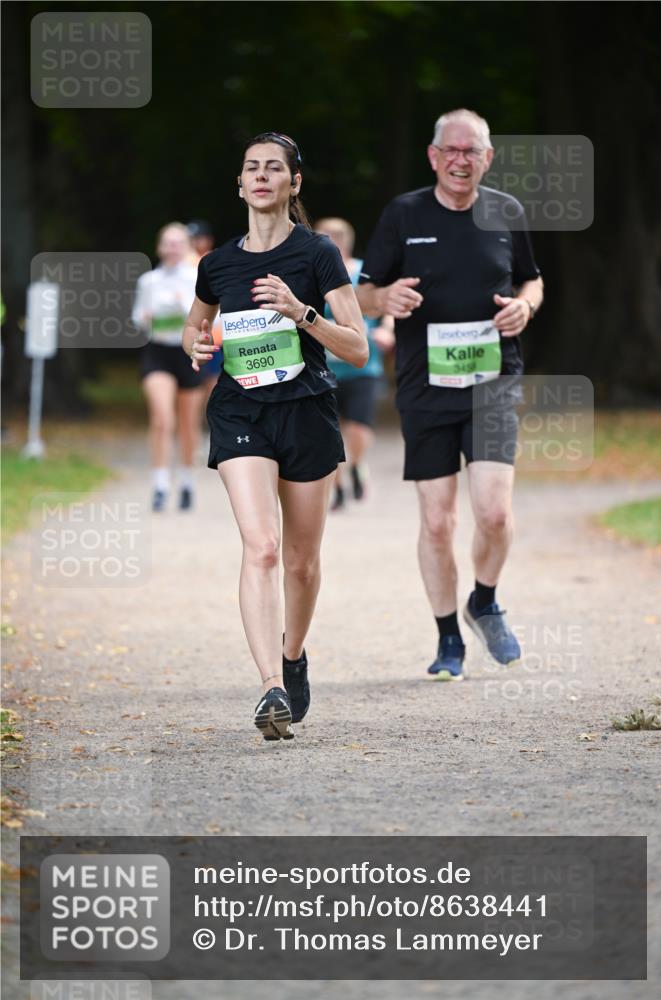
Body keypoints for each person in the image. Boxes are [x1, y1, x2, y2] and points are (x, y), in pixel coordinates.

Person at [182, 132, 367, 740]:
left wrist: (299, 312)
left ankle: (293, 652)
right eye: (250, 168)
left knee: (302, 561)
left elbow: (358, 348)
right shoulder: (217, 264)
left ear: (294, 183)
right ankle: (270, 687)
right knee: (260, 546)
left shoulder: (318, 255)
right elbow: (195, 328)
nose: (261, 176)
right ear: (240, 184)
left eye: (273, 169)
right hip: (240, 411)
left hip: (307, 410)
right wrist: (196, 345)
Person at [357, 108, 544, 681]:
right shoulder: (404, 213)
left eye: (473, 151)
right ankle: (448, 641)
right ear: (434, 156)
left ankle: (484, 599)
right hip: (425, 384)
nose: (462, 160)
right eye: (452, 151)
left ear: (487, 158)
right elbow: (361, 292)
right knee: (438, 522)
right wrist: (384, 300)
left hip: (492, 381)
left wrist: (525, 306)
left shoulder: (506, 212)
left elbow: (531, 278)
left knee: (493, 512)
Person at [314, 217, 395, 510]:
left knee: (359, 429)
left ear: (343, 243)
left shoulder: (363, 273)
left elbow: (388, 304)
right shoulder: (312, 274)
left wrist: (387, 328)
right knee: (329, 432)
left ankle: (356, 465)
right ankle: (336, 489)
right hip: (324, 367)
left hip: (364, 366)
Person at [132, 222, 204, 512]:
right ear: (160, 247)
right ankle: (160, 483)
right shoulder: (149, 281)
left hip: (188, 352)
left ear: (187, 246)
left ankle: (187, 479)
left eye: (178, 243)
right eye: (167, 243)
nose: (172, 248)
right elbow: (137, 317)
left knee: (188, 424)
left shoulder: (197, 277)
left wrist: (182, 306)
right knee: (162, 418)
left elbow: (212, 315)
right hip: (158, 352)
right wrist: (147, 316)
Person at [187, 219, 223, 401]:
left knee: (212, 379)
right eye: (190, 239)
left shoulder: (212, 261)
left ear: (208, 240)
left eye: (197, 239)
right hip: (194, 332)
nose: (193, 243)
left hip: (216, 332)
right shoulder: (185, 264)